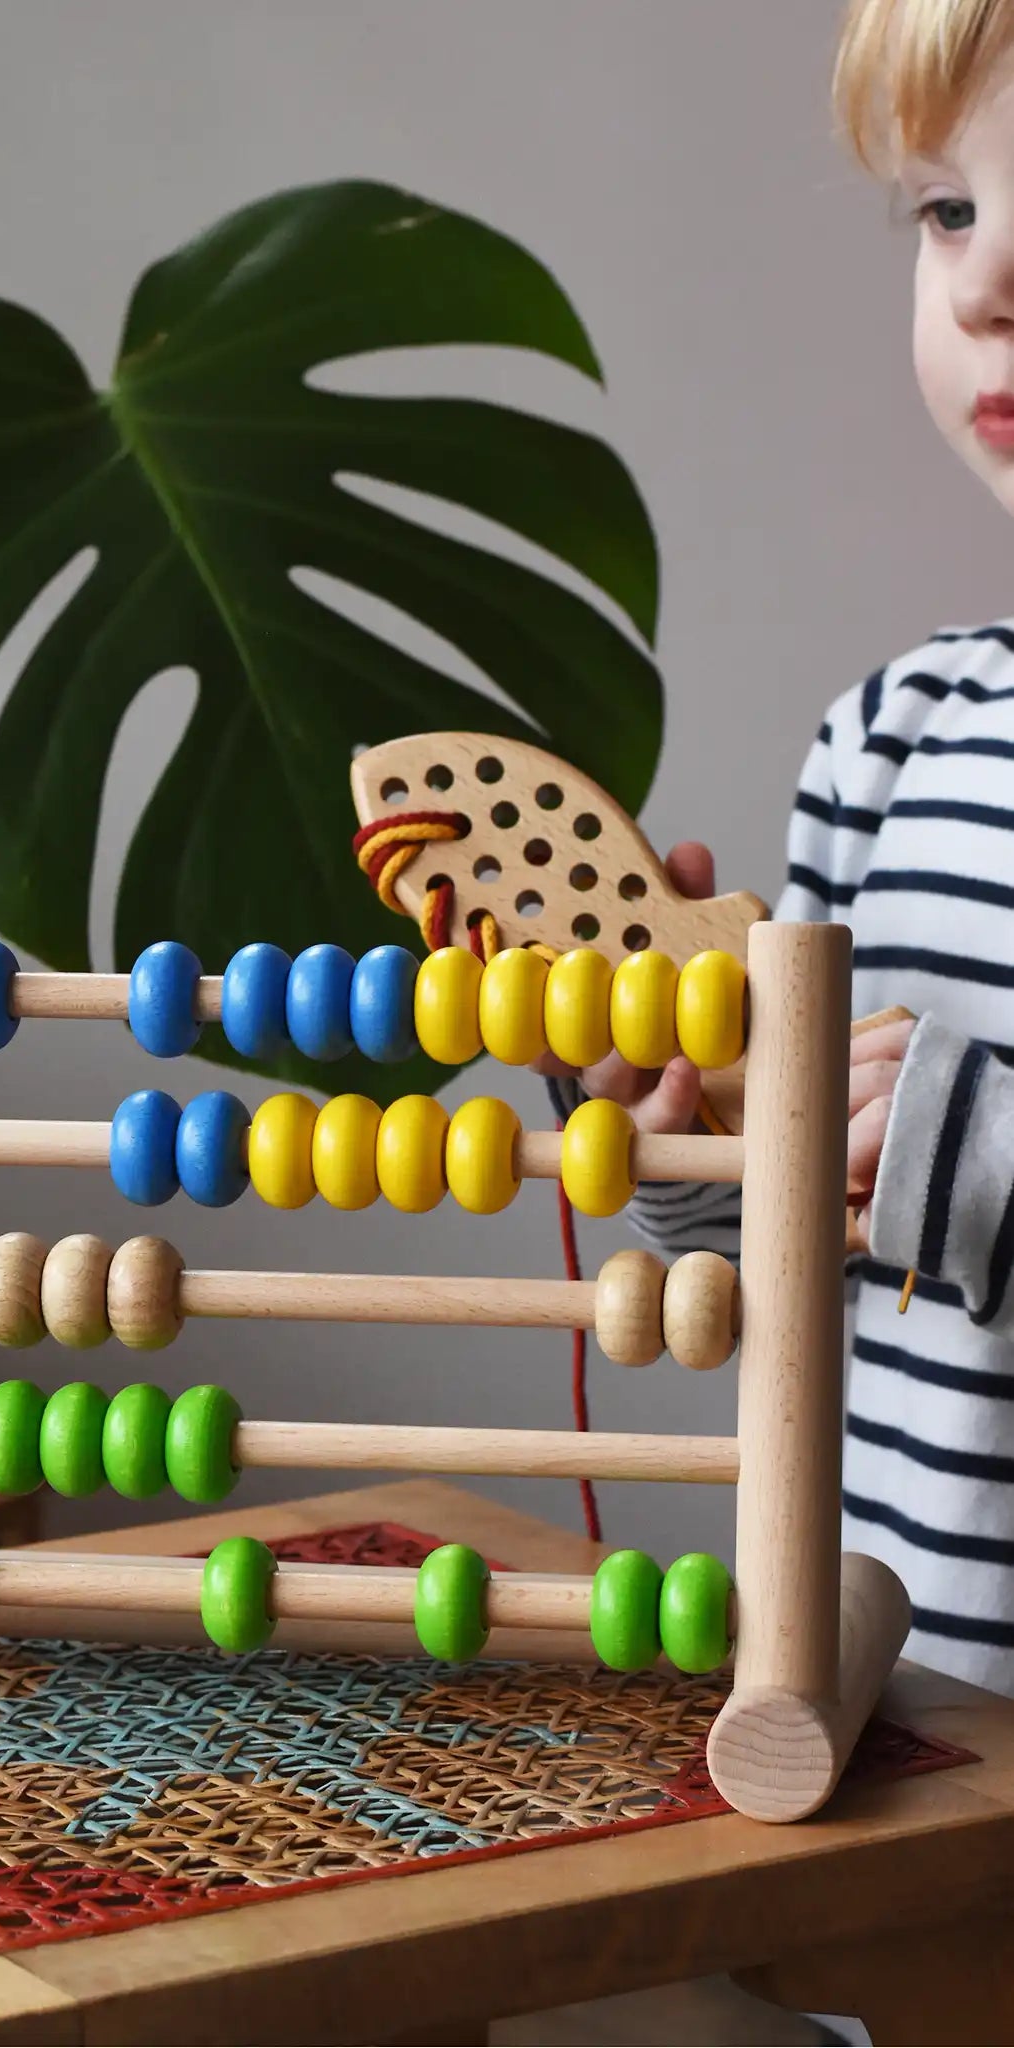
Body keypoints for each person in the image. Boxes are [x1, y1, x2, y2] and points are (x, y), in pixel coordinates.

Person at [545, 0, 1014, 1691]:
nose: (980, 288)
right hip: (893, 1724)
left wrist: (987, 1152)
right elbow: (789, 1279)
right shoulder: (888, 745)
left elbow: (963, 1162)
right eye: (948, 209)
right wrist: (683, 1136)